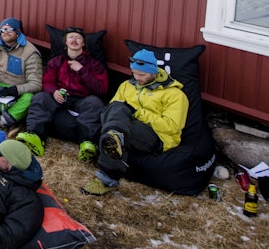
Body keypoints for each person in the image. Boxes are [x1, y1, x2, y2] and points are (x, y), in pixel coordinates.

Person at [83, 50, 188, 196]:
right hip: (127, 126)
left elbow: (171, 127)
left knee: (117, 119)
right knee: (112, 111)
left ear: (154, 72)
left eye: (142, 75)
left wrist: (137, 113)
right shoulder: (127, 85)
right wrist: (125, 114)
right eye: (134, 73)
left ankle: (107, 179)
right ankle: (115, 138)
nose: (137, 77)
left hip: (157, 136)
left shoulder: (175, 95)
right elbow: (112, 109)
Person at [18, 26, 109, 159]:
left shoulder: (94, 65)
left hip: (82, 100)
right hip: (59, 98)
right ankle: (35, 137)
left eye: (78, 38)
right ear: (65, 42)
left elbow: (102, 89)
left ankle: (87, 144)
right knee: (40, 97)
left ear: (83, 43)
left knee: (95, 103)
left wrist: (82, 70)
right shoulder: (57, 61)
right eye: (71, 37)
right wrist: (54, 92)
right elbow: (47, 82)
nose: (74, 40)